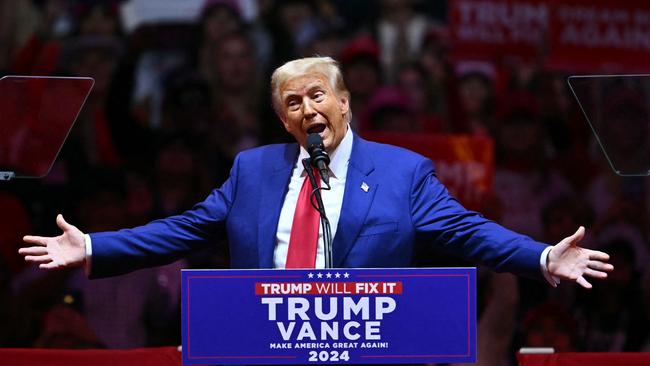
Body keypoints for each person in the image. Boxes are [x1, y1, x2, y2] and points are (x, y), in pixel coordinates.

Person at [20, 56, 612, 289]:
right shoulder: (252, 172)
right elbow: (181, 229)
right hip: (264, 343)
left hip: (366, 346)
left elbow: (468, 230)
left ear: (346, 102)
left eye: (317, 95)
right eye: (293, 103)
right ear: (284, 121)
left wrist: (542, 256)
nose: (308, 109)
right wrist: (95, 245)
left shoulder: (402, 174)